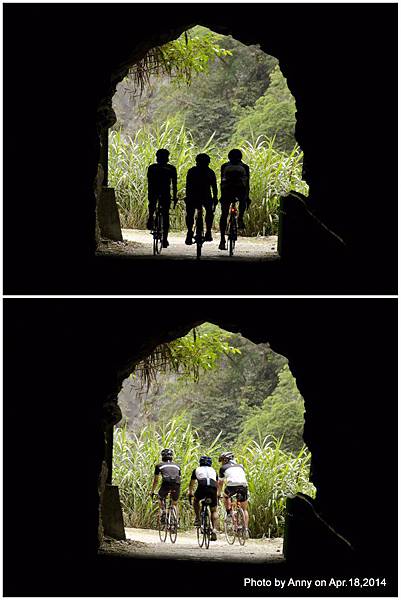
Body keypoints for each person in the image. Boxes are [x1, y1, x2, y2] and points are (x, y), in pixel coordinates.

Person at [218, 149, 250, 250]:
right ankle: (240, 218)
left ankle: (222, 240)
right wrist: (247, 197)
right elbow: (247, 184)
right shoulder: (245, 167)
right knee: (243, 201)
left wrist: (221, 196)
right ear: (241, 157)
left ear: (229, 157)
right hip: (240, 191)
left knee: (224, 214)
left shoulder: (224, 166)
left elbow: (222, 182)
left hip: (227, 192)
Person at [146, 149, 177, 248]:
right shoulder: (171, 168)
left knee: (152, 205)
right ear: (167, 158)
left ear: (157, 158)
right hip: (165, 193)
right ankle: (165, 239)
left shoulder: (152, 167)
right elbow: (174, 184)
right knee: (165, 214)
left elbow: (149, 183)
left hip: (153, 191)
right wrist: (175, 196)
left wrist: (150, 194)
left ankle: (150, 217)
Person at [184, 153, 218, 245]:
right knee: (209, 213)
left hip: (193, 196)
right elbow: (214, 187)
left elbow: (188, 186)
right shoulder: (210, 172)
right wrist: (215, 198)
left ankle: (190, 232)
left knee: (190, 213)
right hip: (206, 196)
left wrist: (187, 197)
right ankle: (208, 231)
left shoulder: (192, 171)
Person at [217, 451, 249, 537]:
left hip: (232, 486)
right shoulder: (240, 466)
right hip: (243, 486)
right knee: (245, 509)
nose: (222, 463)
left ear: (226, 460)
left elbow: (220, 482)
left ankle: (228, 513)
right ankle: (245, 530)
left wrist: (218, 493)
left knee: (225, 496)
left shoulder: (223, 468)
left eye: (223, 460)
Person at [188, 455, 219, 541]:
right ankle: (215, 530)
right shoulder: (213, 470)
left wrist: (190, 492)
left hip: (202, 487)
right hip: (213, 488)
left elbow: (192, 483)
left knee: (196, 500)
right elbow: (217, 483)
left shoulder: (196, 470)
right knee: (214, 510)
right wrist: (218, 494)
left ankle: (198, 518)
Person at [150, 448, 181, 523]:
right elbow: (179, 477)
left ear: (162, 457)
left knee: (160, 497)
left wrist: (152, 491)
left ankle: (163, 512)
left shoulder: (159, 465)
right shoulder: (177, 466)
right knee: (174, 503)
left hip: (166, 482)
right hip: (177, 482)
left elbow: (156, 480)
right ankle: (176, 521)